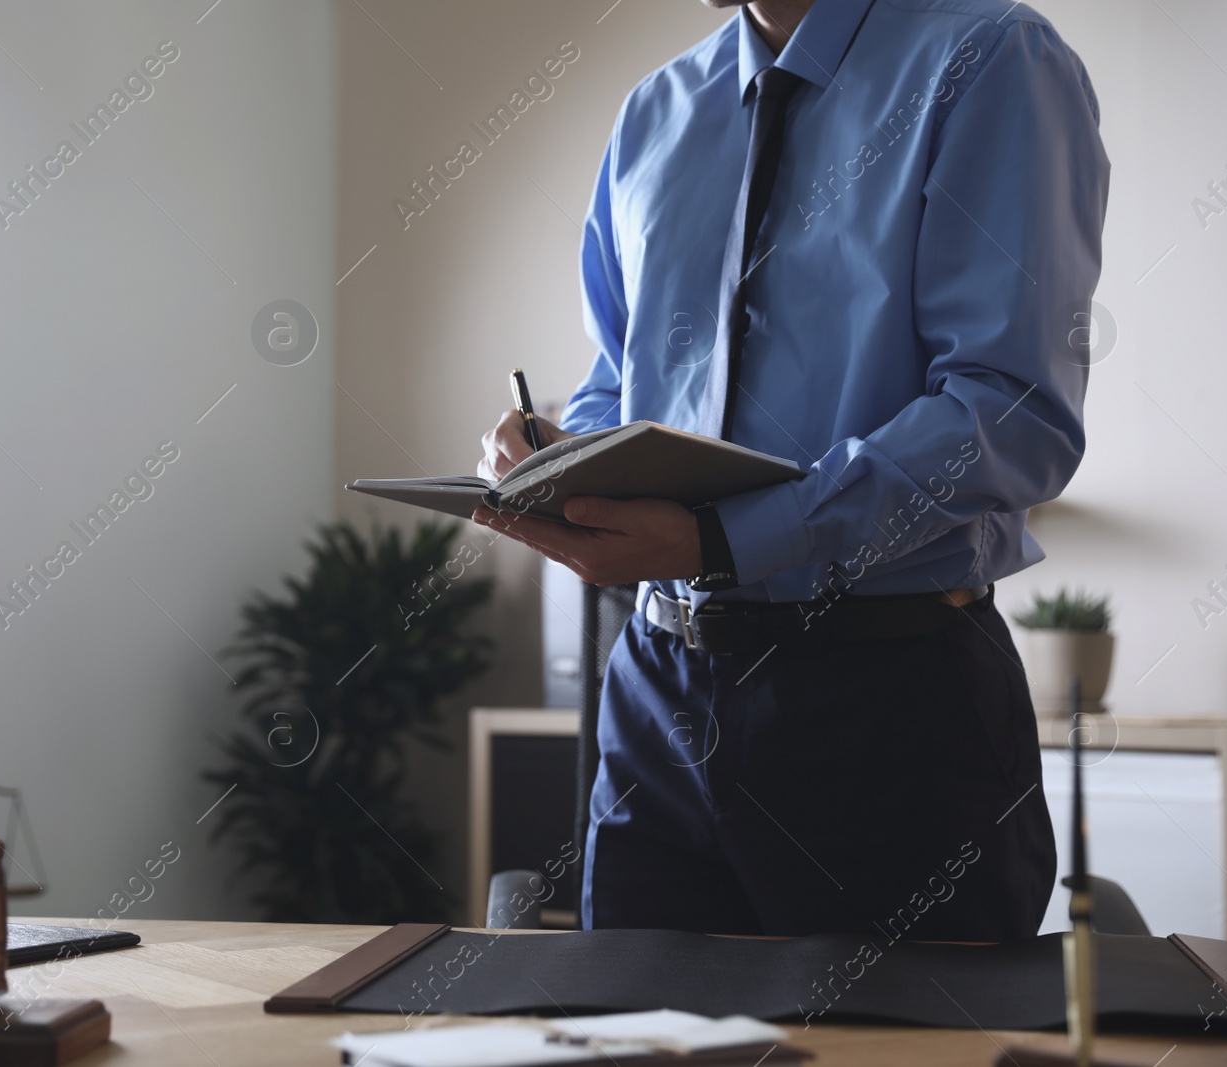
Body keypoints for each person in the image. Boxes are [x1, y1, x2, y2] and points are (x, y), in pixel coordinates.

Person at [474, 0, 1109, 940]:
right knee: (641, 1044)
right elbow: (623, 381)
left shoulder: (990, 59)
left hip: (887, 707)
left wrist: (729, 538)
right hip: (656, 694)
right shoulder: (655, 110)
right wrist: (559, 458)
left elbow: (1010, 409)